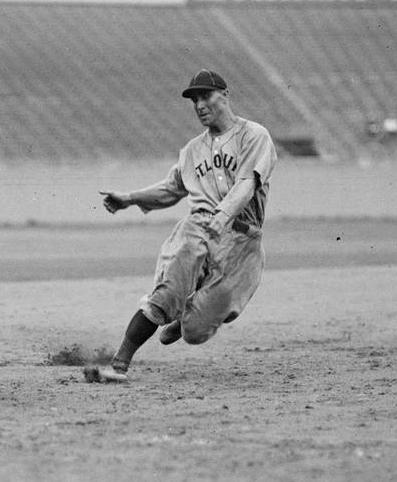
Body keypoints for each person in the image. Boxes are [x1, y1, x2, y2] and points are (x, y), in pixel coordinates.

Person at [86, 70, 277, 383]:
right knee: (167, 291)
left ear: (225, 95)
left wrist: (223, 215)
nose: (199, 104)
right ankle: (119, 364)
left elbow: (246, 184)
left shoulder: (254, 136)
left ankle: (186, 317)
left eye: (206, 96)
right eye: (194, 100)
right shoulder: (192, 151)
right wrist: (130, 198)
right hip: (198, 227)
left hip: (244, 241)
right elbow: (171, 188)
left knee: (196, 332)